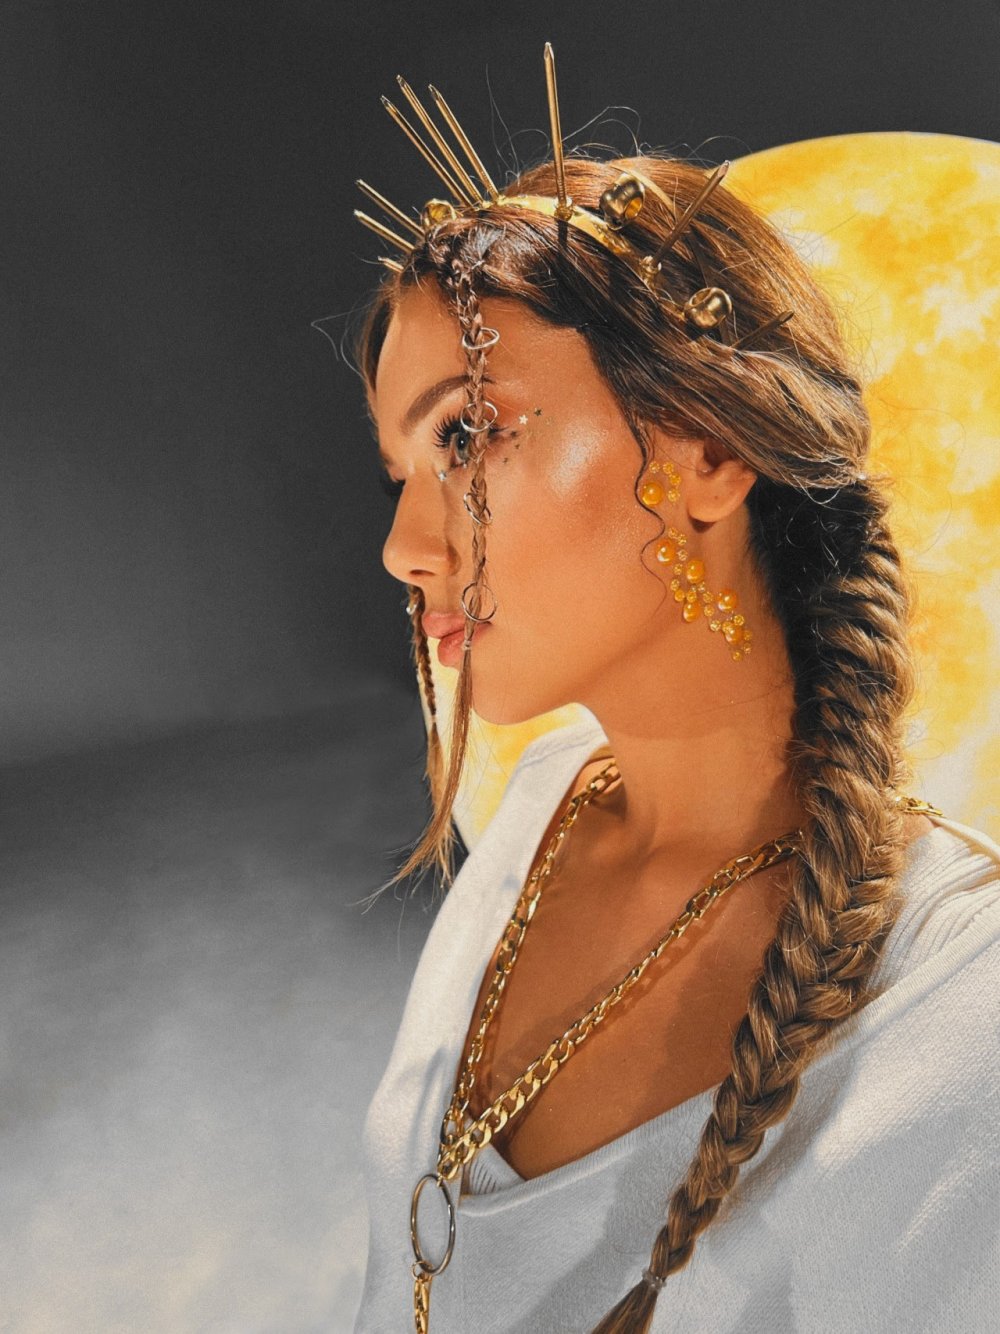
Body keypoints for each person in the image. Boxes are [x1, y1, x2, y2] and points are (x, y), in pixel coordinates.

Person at [348, 45, 1000, 1334]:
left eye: (466, 433)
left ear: (708, 451)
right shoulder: (534, 824)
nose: (403, 546)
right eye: (399, 472)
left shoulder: (956, 997)